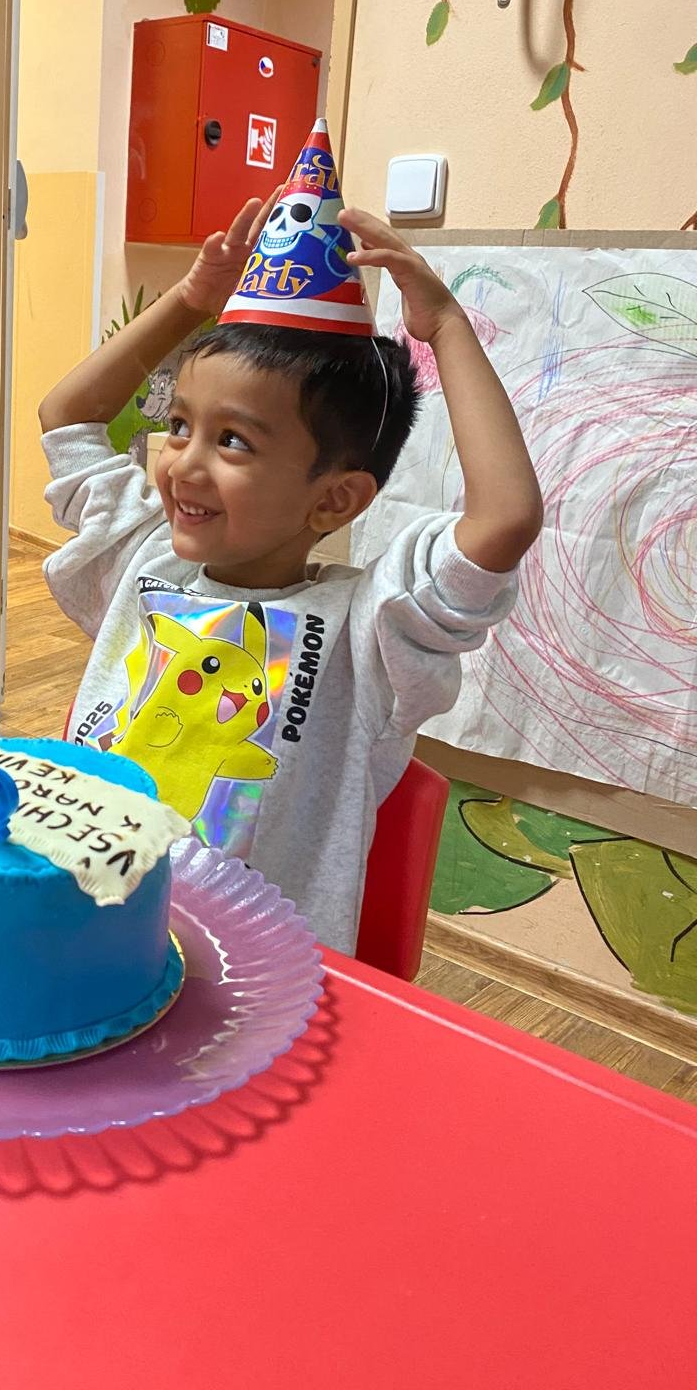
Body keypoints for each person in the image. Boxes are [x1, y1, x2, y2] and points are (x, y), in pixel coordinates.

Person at [38, 198, 542, 951]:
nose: (182, 463)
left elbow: (503, 520)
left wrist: (446, 327)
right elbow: (67, 417)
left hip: (249, 972)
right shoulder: (146, 556)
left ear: (334, 498)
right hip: (82, 924)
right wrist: (192, 301)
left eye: (233, 441)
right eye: (179, 425)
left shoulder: (372, 628)